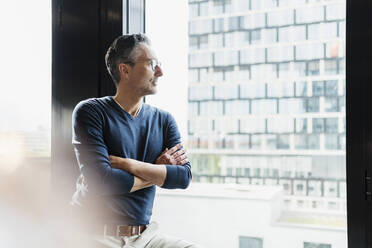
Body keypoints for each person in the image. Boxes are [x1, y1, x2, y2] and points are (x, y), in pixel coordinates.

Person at [71, 34, 202, 248]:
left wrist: (128, 164)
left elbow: (183, 177)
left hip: (144, 237)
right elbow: (100, 182)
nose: (160, 72)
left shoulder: (164, 120)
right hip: (92, 235)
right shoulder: (91, 111)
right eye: (152, 65)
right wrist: (158, 171)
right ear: (125, 70)